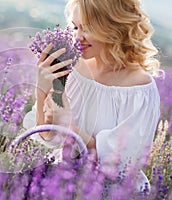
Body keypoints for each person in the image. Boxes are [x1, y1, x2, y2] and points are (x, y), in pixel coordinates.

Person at [23, 0, 161, 193]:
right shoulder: (73, 67)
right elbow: (47, 135)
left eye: (87, 29)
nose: (77, 37)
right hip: (62, 182)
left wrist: (69, 124)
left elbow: (118, 167)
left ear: (113, 27)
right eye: (74, 27)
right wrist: (42, 91)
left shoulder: (139, 88)